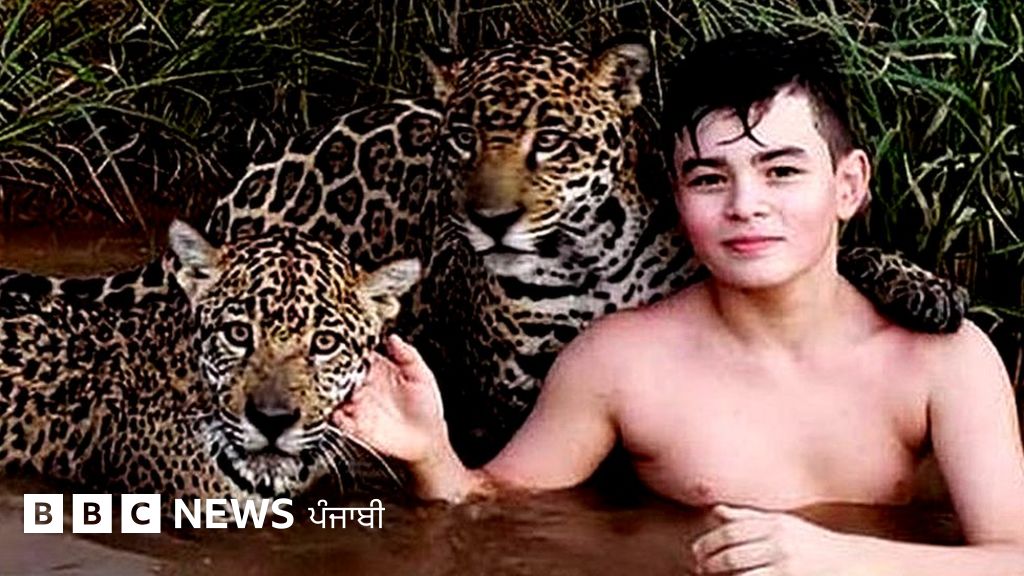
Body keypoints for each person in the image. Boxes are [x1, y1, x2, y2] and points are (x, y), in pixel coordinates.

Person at [333, 32, 1024, 574]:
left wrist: (843, 561)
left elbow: (1015, 556)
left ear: (849, 185)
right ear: (675, 192)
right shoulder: (618, 361)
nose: (745, 204)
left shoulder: (944, 363)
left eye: (781, 171)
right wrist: (428, 451)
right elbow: (491, 508)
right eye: (708, 178)